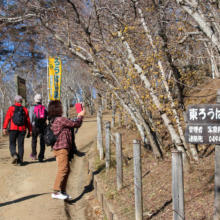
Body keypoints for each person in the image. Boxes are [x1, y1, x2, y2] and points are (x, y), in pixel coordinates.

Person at [48, 100, 86, 200]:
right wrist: (81, 115)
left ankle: (62, 191)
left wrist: (79, 115)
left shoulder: (55, 119)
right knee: (63, 169)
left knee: (67, 169)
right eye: (60, 106)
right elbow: (76, 124)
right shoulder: (60, 119)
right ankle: (56, 191)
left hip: (61, 148)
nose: (62, 108)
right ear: (56, 109)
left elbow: (72, 122)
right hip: (62, 149)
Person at [3, 95, 32, 166]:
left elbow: (7, 118)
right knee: (20, 145)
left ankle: (14, 154)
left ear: (15, 101)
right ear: (21, 101)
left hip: (13, 129)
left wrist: (4, 128)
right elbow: (28, 121)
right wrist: (30, 130)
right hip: (22, 129)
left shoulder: (11, 108)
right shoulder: (25, 109)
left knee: (12, 143)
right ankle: (20, 161)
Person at [29, 94, 47, 162]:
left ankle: (33, 155)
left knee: (34, 140)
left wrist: (31, 125)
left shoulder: (32, 107)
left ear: (35, 100)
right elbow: (46, 116)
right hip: (43, 126)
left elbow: (30, 117)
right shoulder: (44, 107)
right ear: (41, 100)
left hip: (35, 126)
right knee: (42, 140)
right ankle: (41, 156)